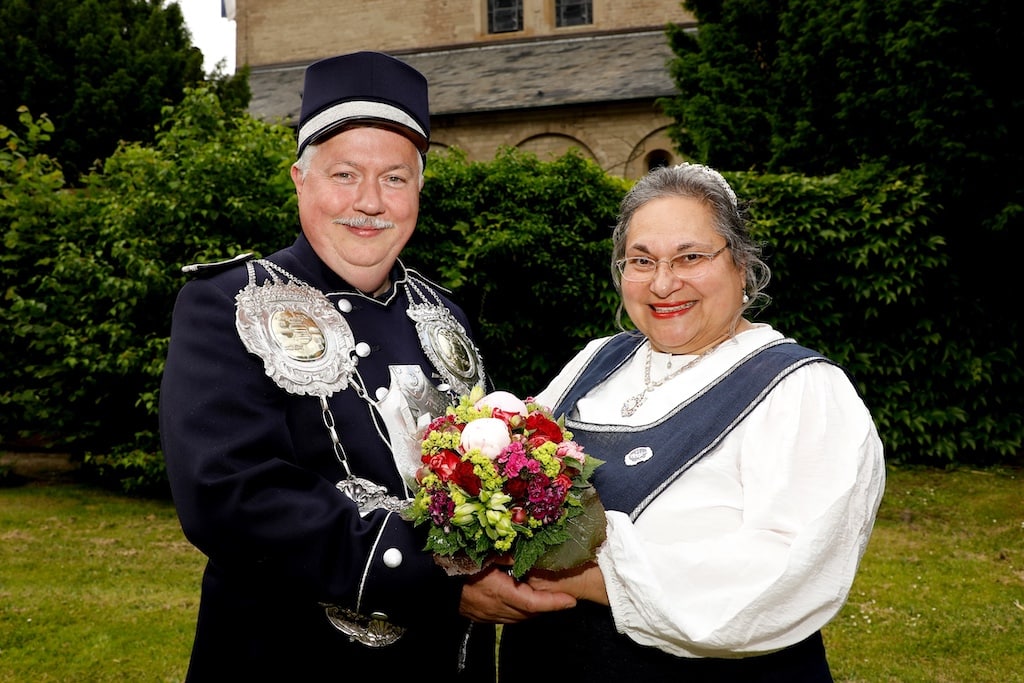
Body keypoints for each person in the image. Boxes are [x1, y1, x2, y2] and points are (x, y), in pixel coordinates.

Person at [159, 51, 574, 681]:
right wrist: (439, 578)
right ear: (300, 178)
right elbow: (230, 494)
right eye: (344, 173)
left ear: (420, 188)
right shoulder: (227, 302)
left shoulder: (445, 315)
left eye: (396, 178)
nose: (370, 202)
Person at [495, 163, 886, 681]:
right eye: (641, 260)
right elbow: (501, 486)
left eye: (691, 257)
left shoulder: (800, 388)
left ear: (741, 264)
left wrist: (582, 573)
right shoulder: (596, 362)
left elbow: (788, 571)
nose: (663, 282)